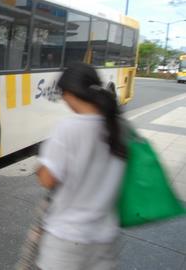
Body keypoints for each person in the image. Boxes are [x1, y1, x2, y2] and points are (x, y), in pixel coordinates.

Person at [35, 62, 127, 270]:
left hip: (66, 239)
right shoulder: (120, 127)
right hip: (105, 238)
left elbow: (47, 180)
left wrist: (39, 166)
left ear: (69, 92)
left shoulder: (68, 128)